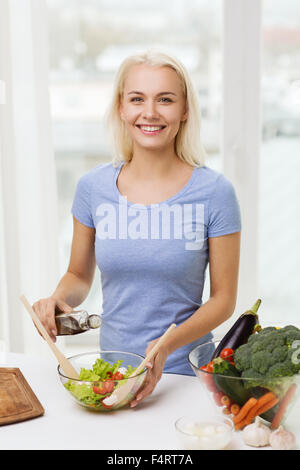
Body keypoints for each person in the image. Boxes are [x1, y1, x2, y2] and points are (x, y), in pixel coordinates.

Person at [32, 49, 241, 408]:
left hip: (187, 379)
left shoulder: (215, 193)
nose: (150, 112)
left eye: (165, 99)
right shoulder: (92, 188)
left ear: (185, 110)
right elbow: (78, 274)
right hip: (110, 376)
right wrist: (57, 300)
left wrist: (166, 346)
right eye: (137, 99)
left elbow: (223, 300)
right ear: (121, 108)